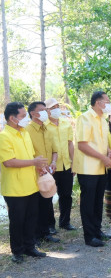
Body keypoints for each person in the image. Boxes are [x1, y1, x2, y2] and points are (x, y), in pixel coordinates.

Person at [0, 102, 48, 263]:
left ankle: (30, 247)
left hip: (31, 185)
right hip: (15, 188)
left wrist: (38, 167)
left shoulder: (24, 133)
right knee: (17, 221)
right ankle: (17, 251)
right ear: (12, 118)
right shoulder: (4, 136)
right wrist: (34, 162)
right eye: (22, 116)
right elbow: (9, 162)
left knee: (31, 218)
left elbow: (30, 156)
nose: (25, 118)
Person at [72, 91, 111, 247]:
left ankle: (97, 231)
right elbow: (82, 145)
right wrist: (103, 157)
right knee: (88, 203)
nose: (109, 104)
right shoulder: (85, 118)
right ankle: (89, 236)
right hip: (87, 168)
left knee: (97, 202)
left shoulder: (103, 120)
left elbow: (100, 144)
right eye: (107, 101)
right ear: (98, 103)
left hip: (101, 168)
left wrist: (108, 152)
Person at [26, 101, 60, 244]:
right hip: (34, 173)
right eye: (42, 110)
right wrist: (38, 167)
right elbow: (27, 154)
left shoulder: (47, 128)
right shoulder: (27, 130)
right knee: (34, 206)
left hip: (48, 173)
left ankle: (46, 233)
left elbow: (55, 150)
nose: (46, 112)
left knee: (47, 203)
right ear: (33, 113)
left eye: (46, 109)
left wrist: (53, 162)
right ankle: (35, 236)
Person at [45, 98, 76, 231]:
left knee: (66, 195)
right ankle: (50, 225)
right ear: (46, 110)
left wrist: (74, 161)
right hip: (51, 166)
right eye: (53, 107)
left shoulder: (65, 123)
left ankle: (65, 222)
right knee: (48, 196)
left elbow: (70, 143)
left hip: (66, 165)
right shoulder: (44, 125)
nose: (56, 109)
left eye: (57, 106)